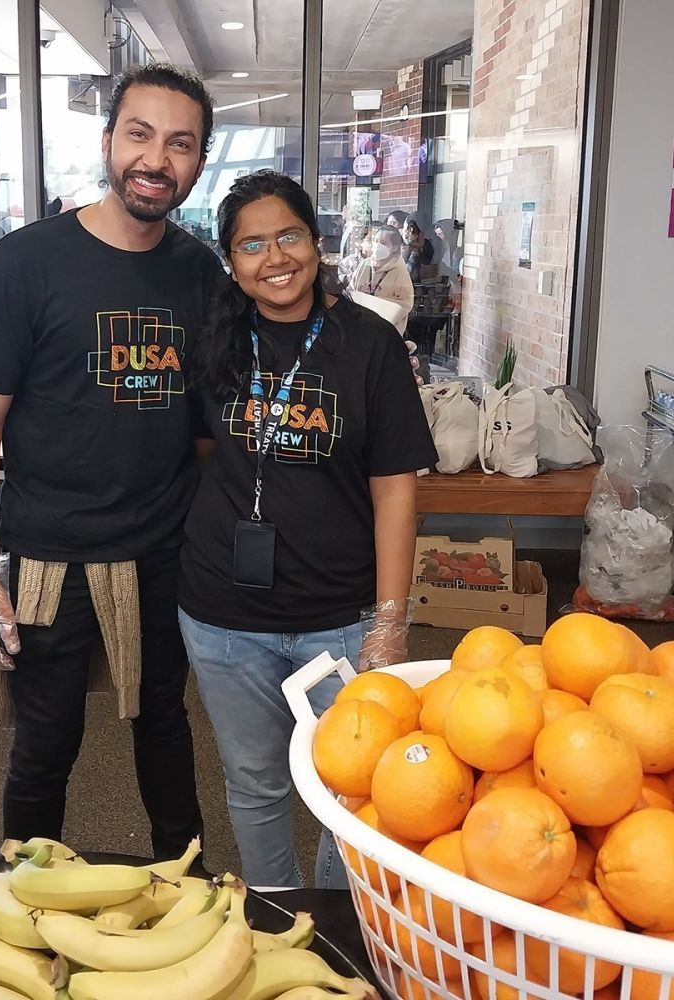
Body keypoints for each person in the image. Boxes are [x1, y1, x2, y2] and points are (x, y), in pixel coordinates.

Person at [0, 63, 223, 857]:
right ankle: (22, 894)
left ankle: (188, 885)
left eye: (180, 143)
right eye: (139, 134)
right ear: (108, 142)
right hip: (49, 549)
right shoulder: (26, 263)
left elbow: (204, 429)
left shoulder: (199, 274)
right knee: (45, 741)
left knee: (166, 731)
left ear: (198, 162)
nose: (155, 159)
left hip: (163, 548)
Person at [178, 170, 436, 888]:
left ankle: (336, 927)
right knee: (255, 783)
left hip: (340, 620)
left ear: (316, 243)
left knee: (351, 790)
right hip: (224, 616)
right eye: (251, 245)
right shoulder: (219, 341)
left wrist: (390, 621)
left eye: (288, 236)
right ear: (232, 262)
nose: (275, 258)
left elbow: (395, 494)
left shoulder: (369, 345)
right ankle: (271, 919)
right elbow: (209, 456)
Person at [348, 226, 415, 334]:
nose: (378, 246)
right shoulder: (364, 265)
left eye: (383, 243)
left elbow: (406, 304)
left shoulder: (400, 271)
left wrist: (376, 302)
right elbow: (350, 293)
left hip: (385, 332)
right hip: (360, 330)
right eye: (376, 241)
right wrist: (360, 296)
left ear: (394, 247)